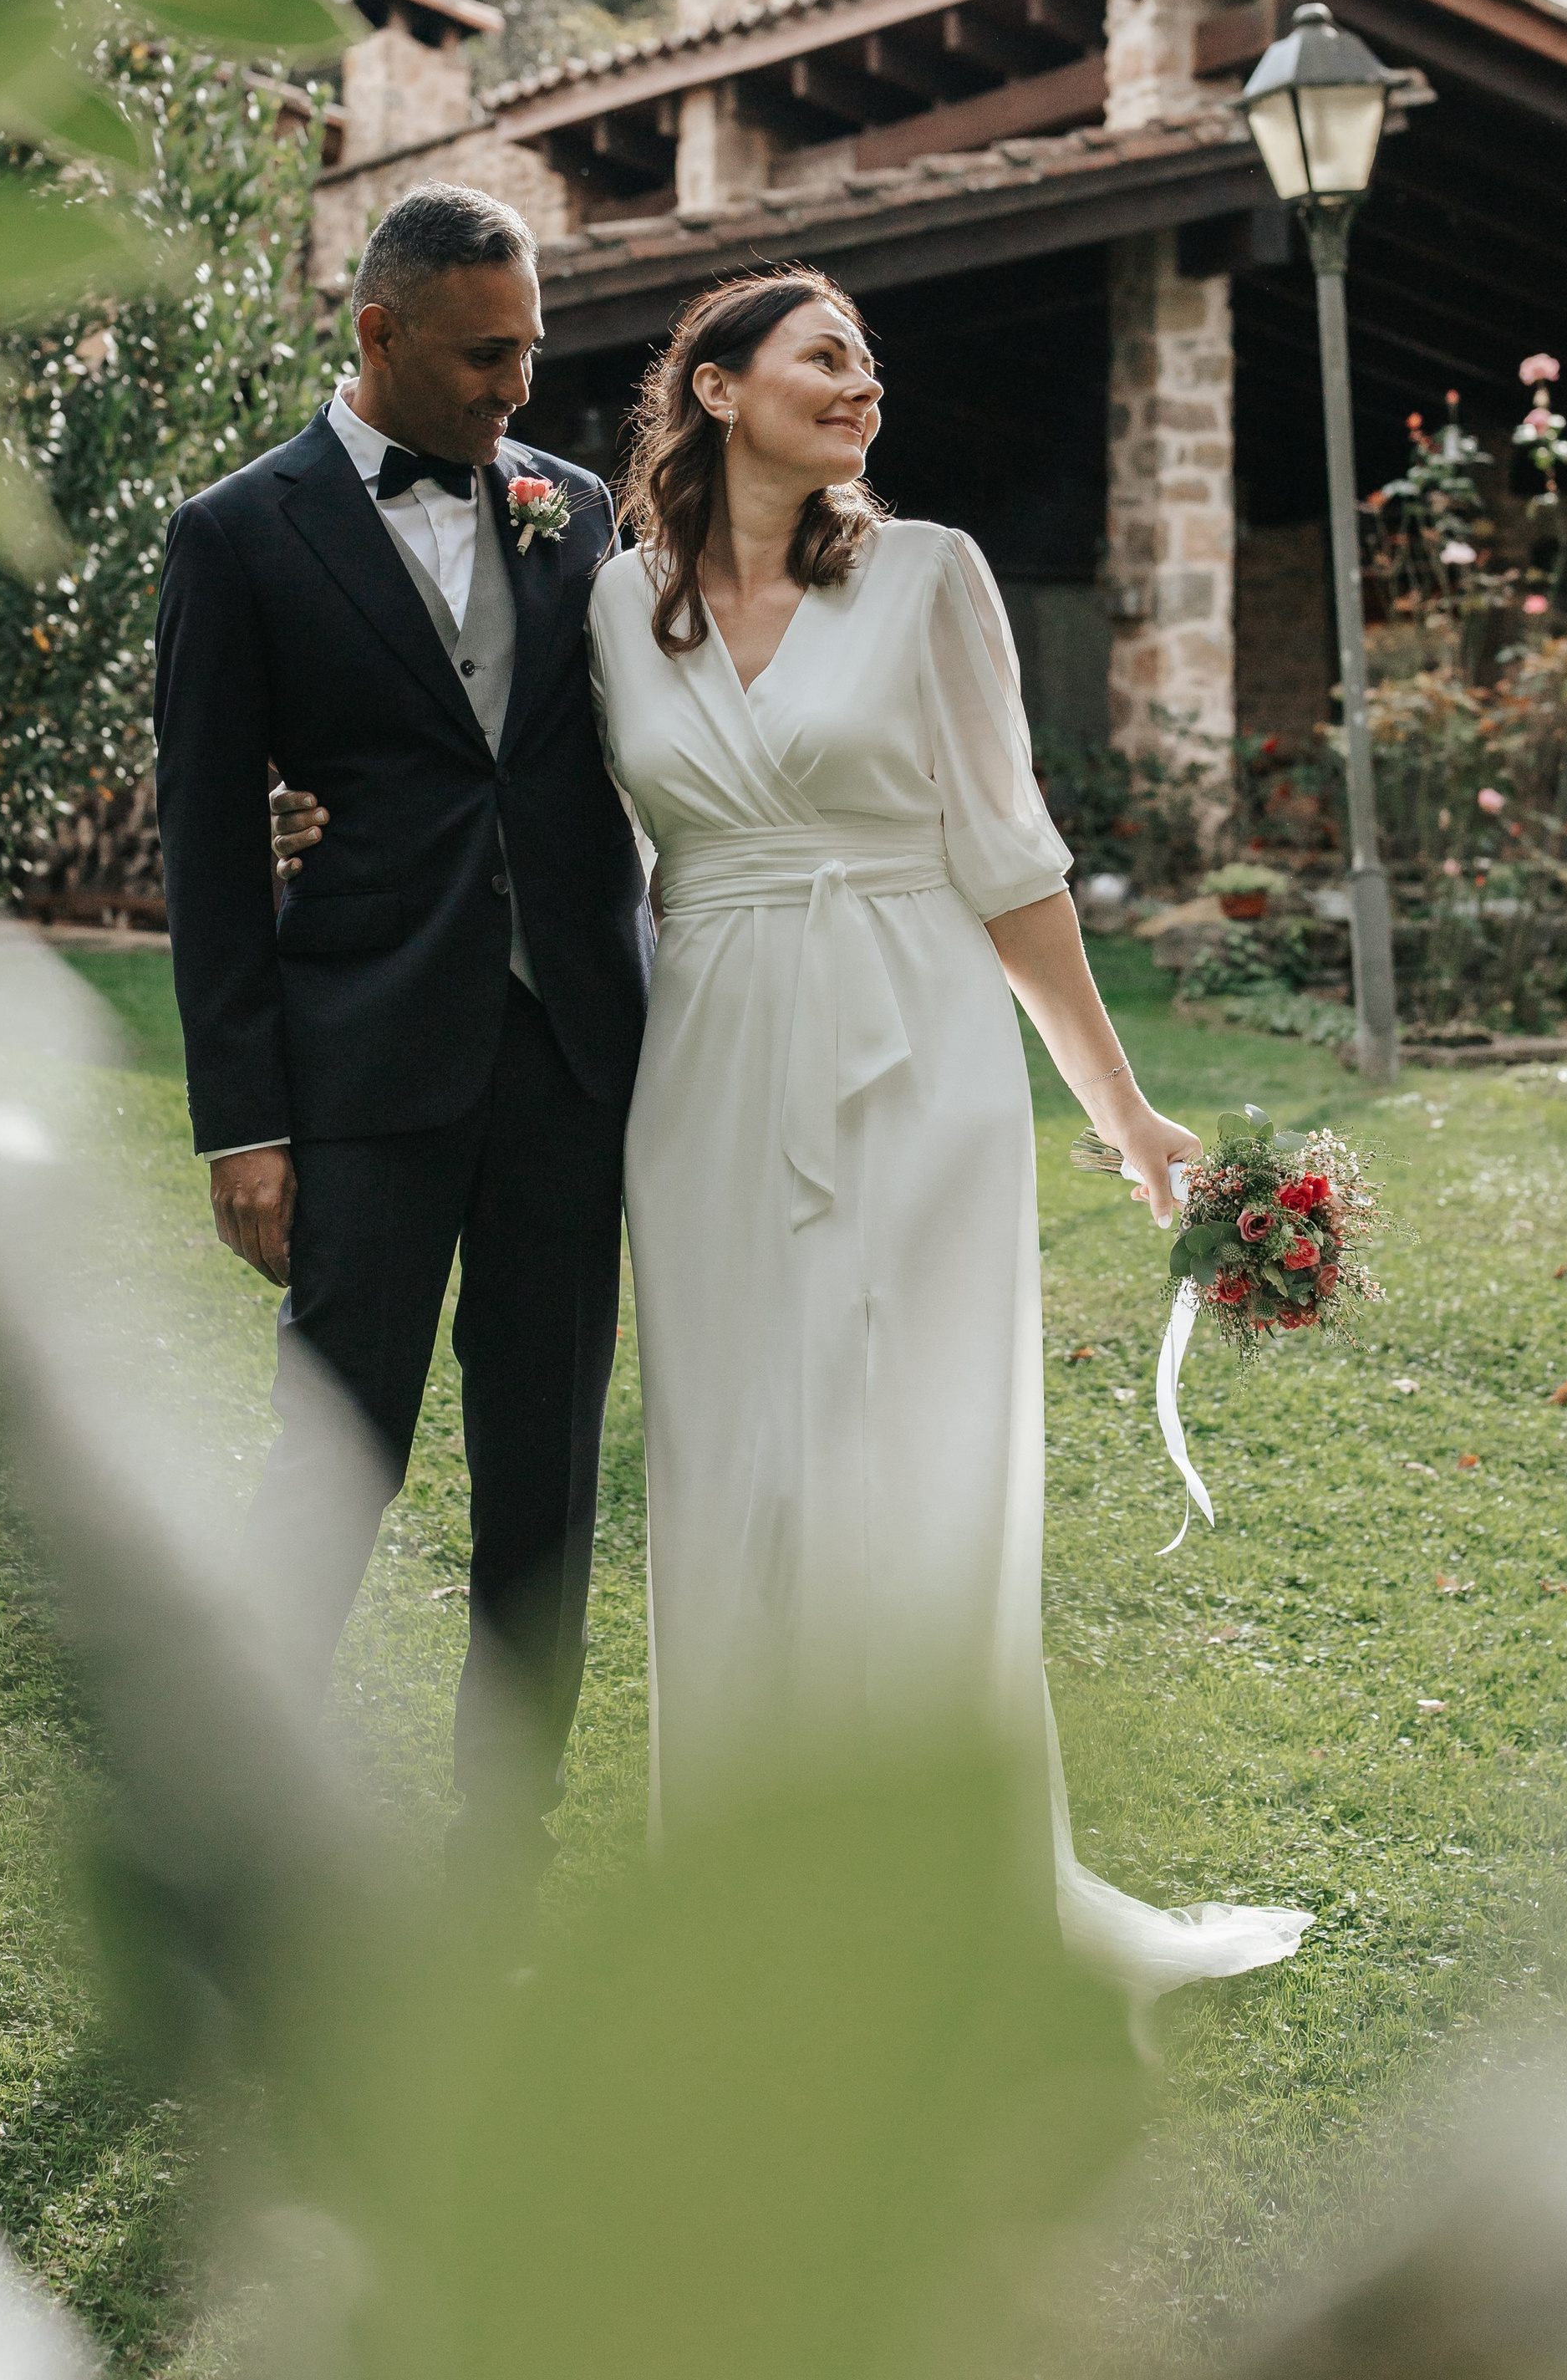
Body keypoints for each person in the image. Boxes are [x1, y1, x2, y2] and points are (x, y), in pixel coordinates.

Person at [275, 262, 1310, 2003]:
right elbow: (549, 831)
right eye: (826, 357)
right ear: (721, 387)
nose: (862, 386)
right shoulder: (615, 605)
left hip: (915, 1044)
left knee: (906, 1464)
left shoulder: (931, 576)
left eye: (869, 364)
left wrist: (1122, 1112)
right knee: (734, 1464)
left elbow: (1012, 868)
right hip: (708, 1062)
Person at [154, 184, 652, 1880]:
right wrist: (241, 1119)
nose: (517, 387)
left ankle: (497, 1848)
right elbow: (209, 843)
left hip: (570, 1059)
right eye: (482, 355)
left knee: (545, 1477)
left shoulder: (570, 506)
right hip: (361, 1059)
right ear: (378, 334)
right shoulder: (235, 534)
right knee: (332, 1453)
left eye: (532, 350)